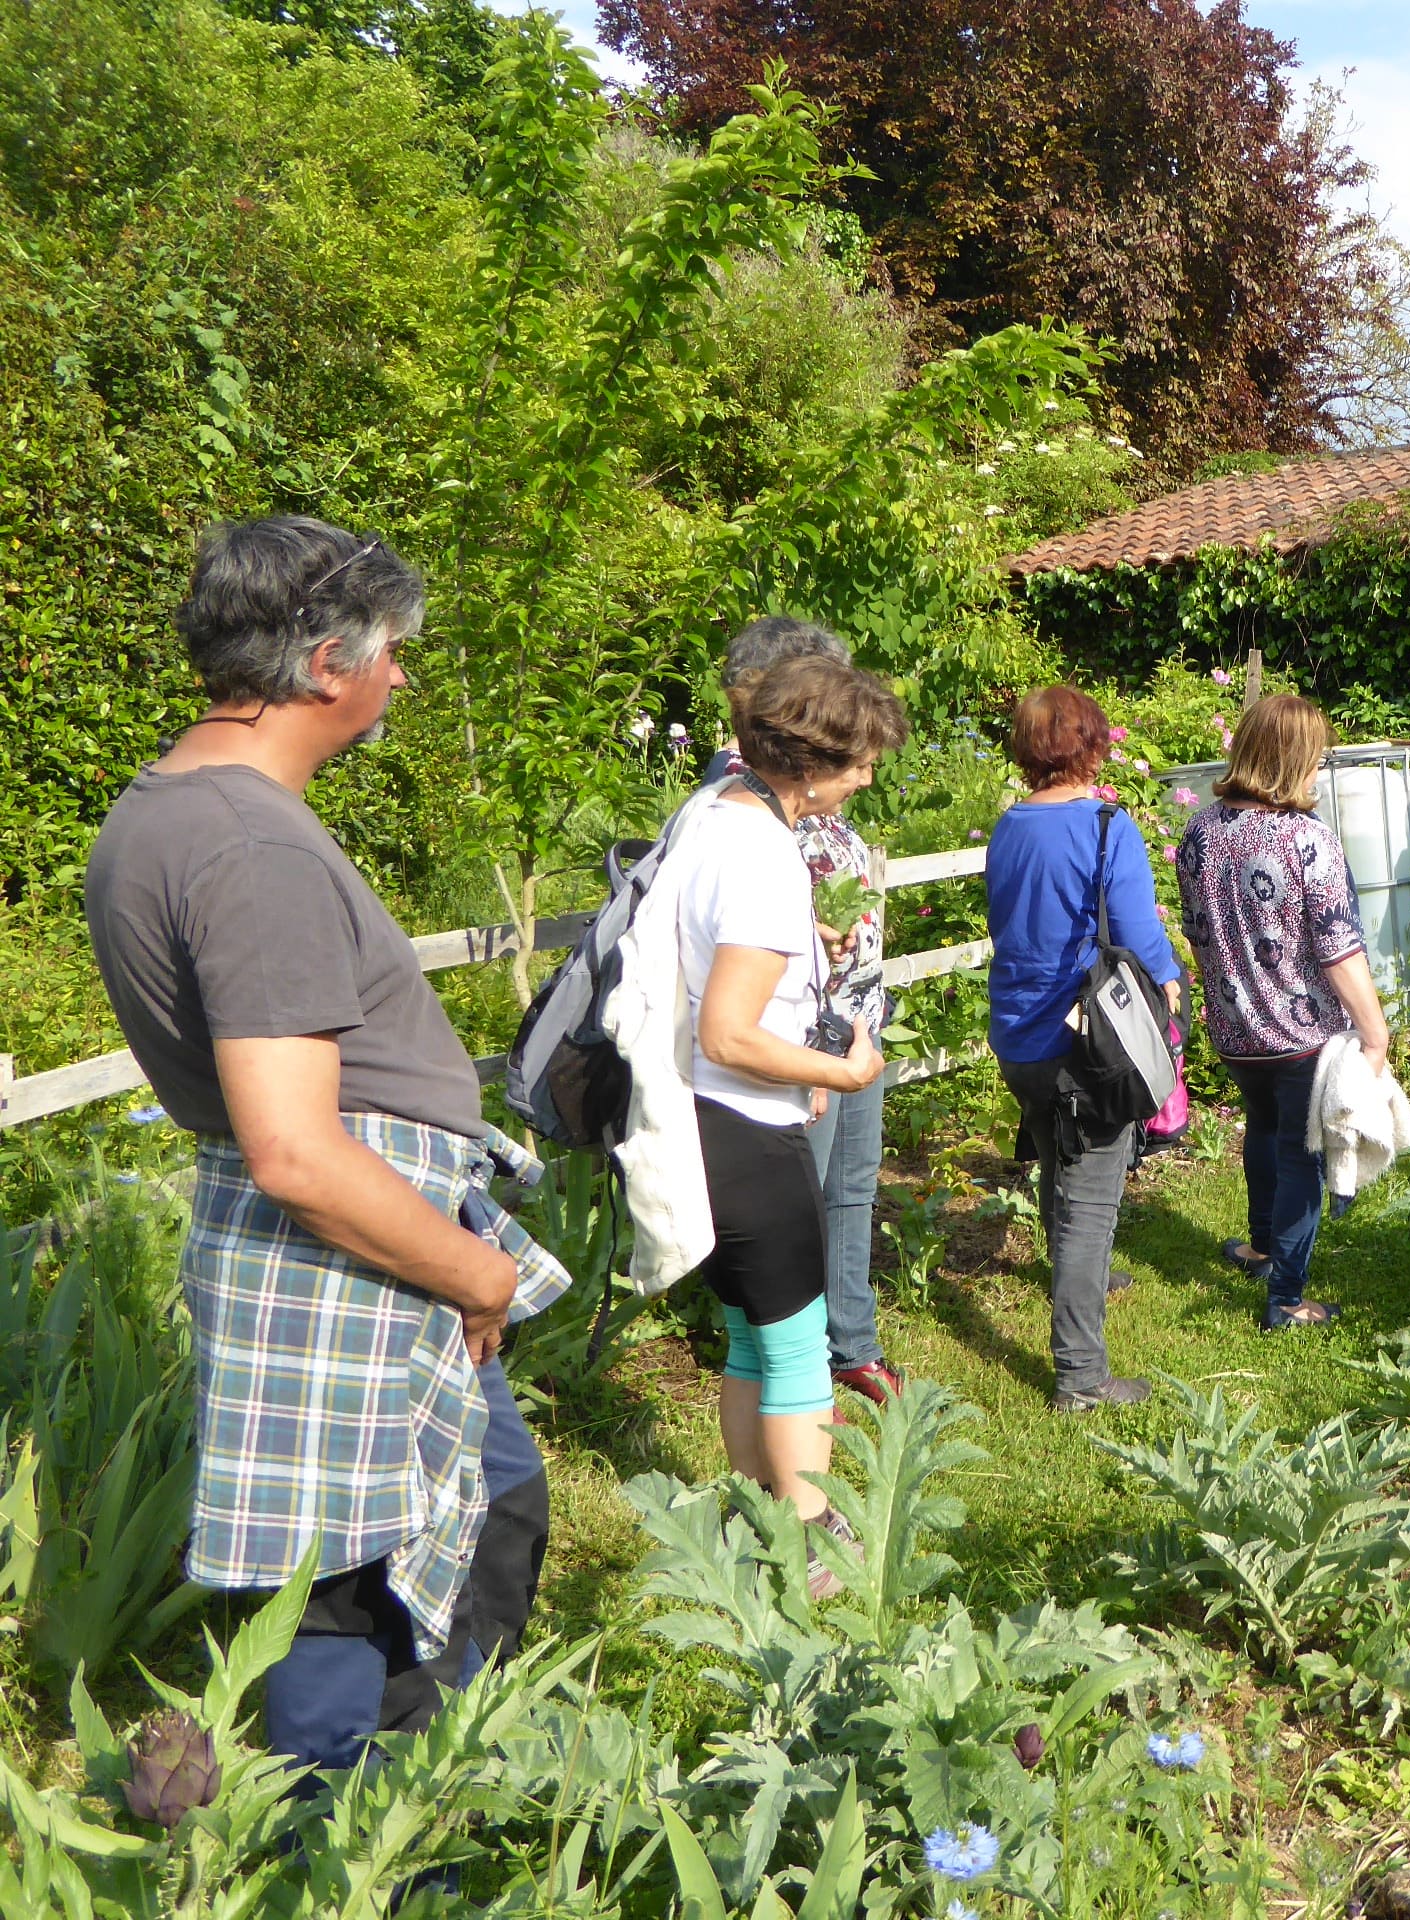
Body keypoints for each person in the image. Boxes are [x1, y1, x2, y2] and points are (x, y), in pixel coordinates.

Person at [82, 516, 571, 1771]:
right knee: (355, 1584)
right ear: (323, 661)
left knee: (476, 1512)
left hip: (334, 1253)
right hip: (341, 1263)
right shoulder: (251, 849)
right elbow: (296, 1150)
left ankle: (400, 1807)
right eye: (393, 650)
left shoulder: (172, 808)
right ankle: (355, 1847)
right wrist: (472, 1270)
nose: (401, 675)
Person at [671, 652, 896, 1572]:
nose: (869, 778)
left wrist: (808, 938)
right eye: (860, 762)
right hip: (748, 1125)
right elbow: (729, 1033)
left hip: (694, 1121)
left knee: (747, 1337)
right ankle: (808, 1539)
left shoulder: (708, 816)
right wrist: (837, 1074)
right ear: (809, 761)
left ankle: (749, 1509)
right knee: (799, 1347)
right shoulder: (766, 853)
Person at [705, 617, 907, 1404]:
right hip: (800, 1039)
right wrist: (814, 1049)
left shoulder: (803, 793)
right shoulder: (741, 801)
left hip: (852, 1021)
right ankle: (790, 1352)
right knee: (801, 1204)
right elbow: (742, 957)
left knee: (852, 1186)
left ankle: (851, 1341)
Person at [985, 684, 1184, 1410]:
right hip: (1084, 1044)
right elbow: (1139, 934)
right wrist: (1169, 989)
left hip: (1018, 1035)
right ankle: (1081, 1378)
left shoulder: (1007, 826)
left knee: (1055, 1157)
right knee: (1090, 1204)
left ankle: (1084, 1274)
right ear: (1090, 744)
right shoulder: (1107, 825)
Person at [1174, 695, 1393, 1331]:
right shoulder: (1305, 838)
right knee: (1302, 1156)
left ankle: (1261, 1246)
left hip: (1236, 1029)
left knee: (1263, 1130)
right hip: (1303, 1036)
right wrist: (1375, 1034)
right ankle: (1287, 1299)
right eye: (1317, 758)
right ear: (1293, 760)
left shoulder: (1200, 832)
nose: (1321, 770)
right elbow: (1339, 948)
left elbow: (1197, 931)